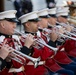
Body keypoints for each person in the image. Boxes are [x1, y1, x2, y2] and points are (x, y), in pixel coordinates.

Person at [19, 10, 74, 75]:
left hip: (46, 67)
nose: (38, 23)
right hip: (35, 70)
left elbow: (52, 52)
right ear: (27, 24)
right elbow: (44, 56)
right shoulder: (23, 39)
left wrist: (58, 39)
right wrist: (52, 41)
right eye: (35, 22)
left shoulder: (41, 36)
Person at [0, 10, 35, 75]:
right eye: (12, 23)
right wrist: (26, 47)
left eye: (15, 23)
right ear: (3, 25)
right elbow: (18, 64)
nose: (15, 26)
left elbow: (24, 61)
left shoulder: (14, 38)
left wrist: (29, 47)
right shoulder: (1, 41)